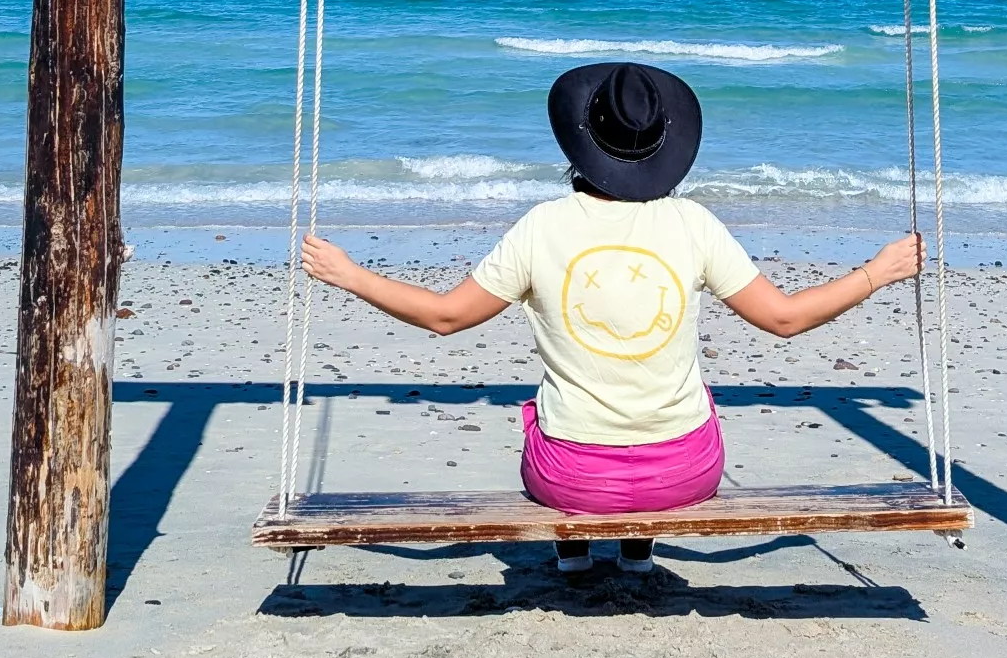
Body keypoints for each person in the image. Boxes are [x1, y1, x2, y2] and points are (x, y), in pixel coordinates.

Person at [300, 60, 925, 574]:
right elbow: (785, 320)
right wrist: (878, 270)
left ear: (582, 141)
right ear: (661, 146)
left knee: (552, 406)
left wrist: (348, 274)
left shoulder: (543, 226)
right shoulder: (693, 224)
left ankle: (572, 553)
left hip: (570, 480)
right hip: (686, 475)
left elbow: (445, 317)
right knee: (681, 394)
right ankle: (637, 551)